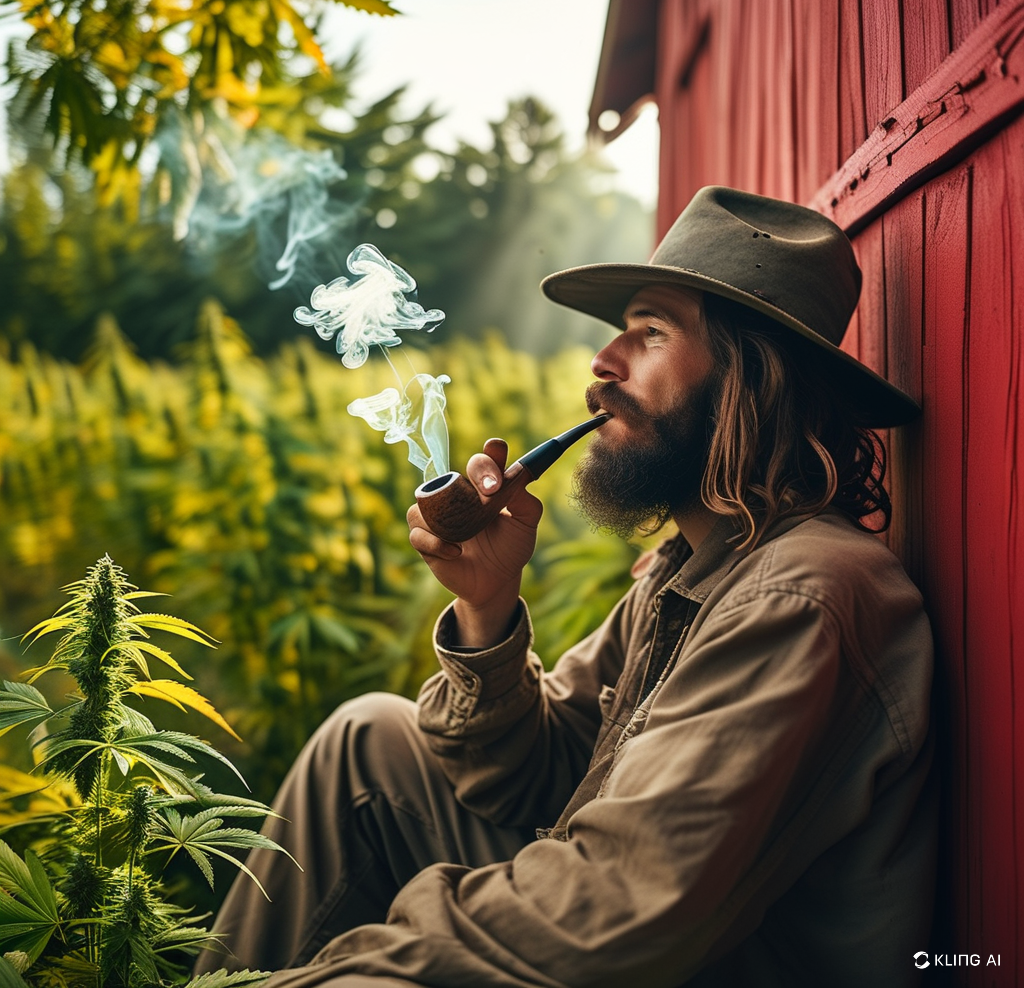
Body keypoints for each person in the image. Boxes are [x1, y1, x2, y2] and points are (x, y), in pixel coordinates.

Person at [196, 186, 937, 987]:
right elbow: (536, 777)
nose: (603, 361)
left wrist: (341, 969)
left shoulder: (801, 595)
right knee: (369, 739)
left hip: (707, 963)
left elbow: (619, 907)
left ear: (749, 382)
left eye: (651, 334)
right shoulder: (692, 571)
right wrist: (487, 603)